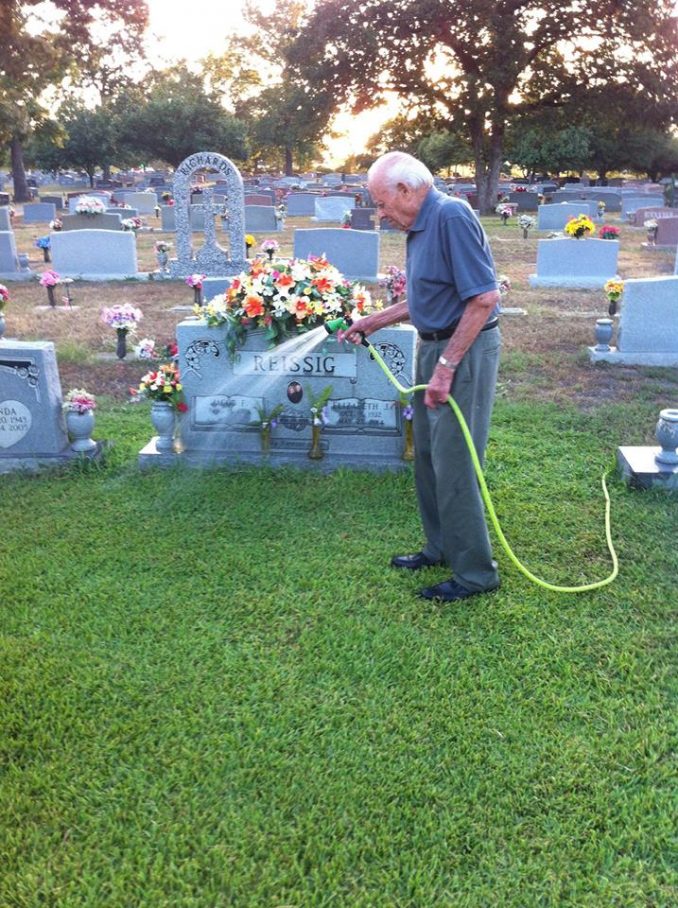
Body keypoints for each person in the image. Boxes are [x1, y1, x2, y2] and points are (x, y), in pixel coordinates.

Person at [340, 151, 502, 602]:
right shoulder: (418, 226)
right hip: (435, 344)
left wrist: (447, 367)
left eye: (382, 203)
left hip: (462, 350)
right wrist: (376, 320)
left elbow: (483, 299)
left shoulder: (451, 218)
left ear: (406, 190)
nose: (380, 213)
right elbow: (431, 295)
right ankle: (442, 546)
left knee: (455, 460)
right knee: (429, 454)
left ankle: (475, 574)